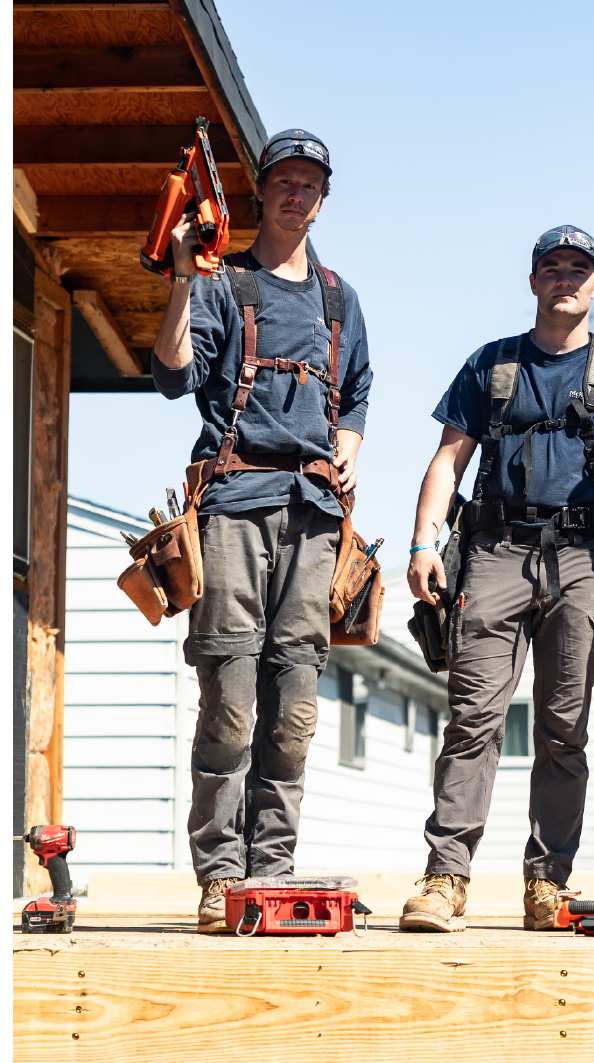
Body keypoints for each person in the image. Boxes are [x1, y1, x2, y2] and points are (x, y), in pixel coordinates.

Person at [401, 225, 594, 932]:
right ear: (532, 282)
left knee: (563, 727)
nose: (564, 279)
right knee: (473, 718)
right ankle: (444, 878)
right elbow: (445, 461)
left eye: (577, 269)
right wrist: (424, 542)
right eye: (551, 268)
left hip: (583, 563)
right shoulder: (491, 366)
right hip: (492, 551)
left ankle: (547, 882)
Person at [152, 129, 373, 932]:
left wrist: (346, 449)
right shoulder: (223, 285)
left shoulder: (338, 299)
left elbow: (356, 397)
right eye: (284, 180)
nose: (296, 193)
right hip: (235, 507)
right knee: (232, 700)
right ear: (262, 192)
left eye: (310, 182)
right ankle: (220, 875)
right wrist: (183, 276)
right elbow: (173, 375)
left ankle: (270, 874)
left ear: (322, 198)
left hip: (315, 518)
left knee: (295, 710)